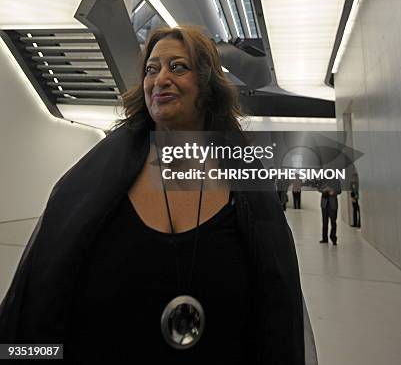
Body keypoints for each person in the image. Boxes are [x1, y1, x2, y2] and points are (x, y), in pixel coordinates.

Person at [0, 25, 305, 364]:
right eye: (151, 69)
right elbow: (40, 295)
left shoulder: (249, 189)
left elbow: (279, 311)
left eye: (178, 67)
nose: (160, 79)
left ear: (207, 83)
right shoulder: (92, 181)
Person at [319, 178, 342, 245]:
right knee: (325, 222)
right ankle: (324, 238)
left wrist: (333, 191)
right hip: (324, 205)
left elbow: (339, 190)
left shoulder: (336, 180)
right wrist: (324, 190)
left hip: (333, 204)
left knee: (333, 222)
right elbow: (319, 188)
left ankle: (333, 238)